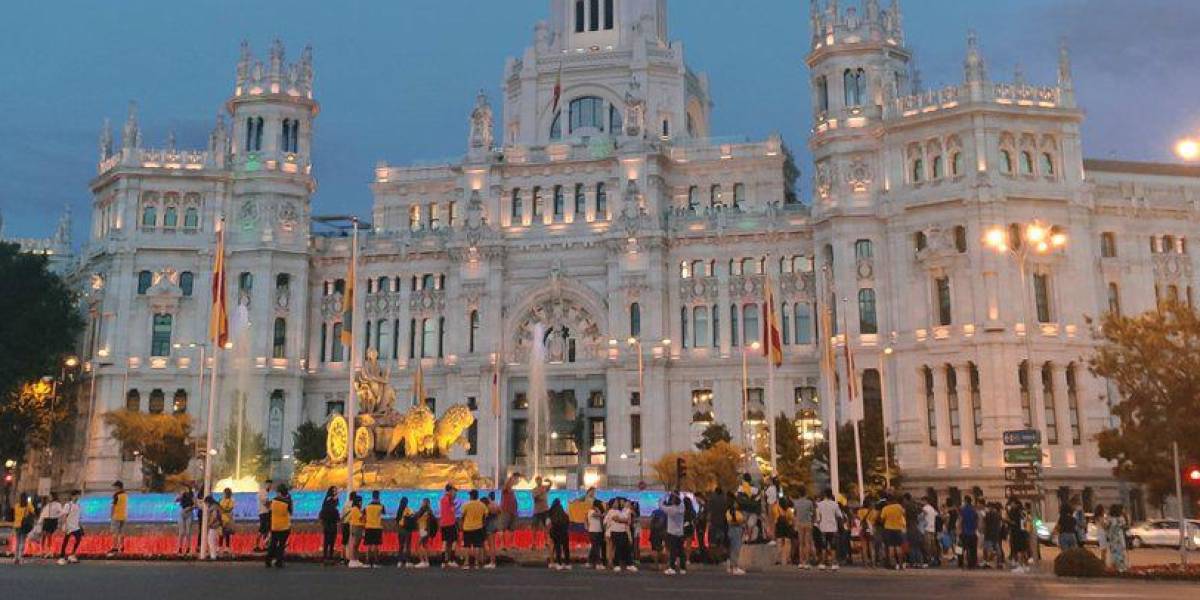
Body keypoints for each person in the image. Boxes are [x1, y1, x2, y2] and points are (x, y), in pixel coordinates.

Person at [459, 489, 489, 570]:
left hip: (467, 527)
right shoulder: (482, 505)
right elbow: (485, 516)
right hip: (478, 527)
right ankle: (476, 563)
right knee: (477, 546)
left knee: (467, 546)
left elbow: (462, 517)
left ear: (471, 496)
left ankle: (466, 563)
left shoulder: (466, 505)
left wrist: (461, 527)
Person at [605, 498, 636, 572]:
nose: (616, 504)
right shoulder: (611, 511)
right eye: (615, 502)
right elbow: (616, 519)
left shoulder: (623, 511)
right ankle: (616, 564)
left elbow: (627, 521)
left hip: (623, 531)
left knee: (626, 548)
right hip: (615, 531)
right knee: (617, 548)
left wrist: (623, 520)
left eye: (617, 502)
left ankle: (629, 564)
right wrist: (624, 520)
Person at [265, 484, 292, 568]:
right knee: (281, 545)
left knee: (273, 544)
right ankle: (279, 561)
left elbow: (268, 511)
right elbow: (290, 512)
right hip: (285, 526)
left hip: (275, 526)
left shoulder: (273, 501)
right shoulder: (288, 502)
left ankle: (268, 560)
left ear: (279, 492)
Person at [815, 488, 842, 571]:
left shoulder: (819, 504)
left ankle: (822, 563)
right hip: (833, 528)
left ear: (824, 495)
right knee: (833, 547)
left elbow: (818, 518)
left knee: (823, 547)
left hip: (823, 528)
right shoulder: (835, 504)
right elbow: (839, 516)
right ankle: (834, 564)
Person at [661, 493, 686, 575]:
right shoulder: (682, 507)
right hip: (680, 533)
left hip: (672, 533)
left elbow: (661, 505)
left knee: (673, 551)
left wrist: (665, 496)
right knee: (681, 551)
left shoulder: (671, 509)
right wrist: (676, 495)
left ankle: (672, 568)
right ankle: (683, 568)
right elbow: (681, 501)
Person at [56, 490, 83, 565]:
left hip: (76, 526)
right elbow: (64, 515)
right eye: (76, 495)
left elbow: (78, 517)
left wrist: (80, 526)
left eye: (78, 495)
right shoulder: (68, 505)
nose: (77, 497)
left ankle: (72, 555)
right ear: (72, 496)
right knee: (66, 540)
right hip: (69, 526)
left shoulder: (78, 505)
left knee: (78, 539)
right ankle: (61, 557)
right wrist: (64, 525)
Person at [879, 495, 906, 570]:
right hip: (898, 529)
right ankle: (900, 564)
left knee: (891, 547)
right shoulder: (899, 507)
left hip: (888, 528)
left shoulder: (885, 508)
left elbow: (881, 519)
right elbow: (903, 514)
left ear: (888, 501)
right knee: (898, 547)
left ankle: (893, 564)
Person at [792, 486, 815, 569]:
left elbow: (794, 513)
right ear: (805, 493)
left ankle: (801, 561)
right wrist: (813, 521)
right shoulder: (809, 502)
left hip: (799, 523)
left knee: (801, 543)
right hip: (808, 523)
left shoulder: (796, 502)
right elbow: (813, 513)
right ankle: (807, 562)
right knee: (807, 543)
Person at [1005, 499, 1030, 572]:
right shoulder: (1023, 511)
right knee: (1023, 550)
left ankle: (1020, 566)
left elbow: (1014, 523)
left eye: (1011, 504)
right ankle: (1025, 565)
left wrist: (1007, 520)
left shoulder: (1015, 511)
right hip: (1023, 532)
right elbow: (1025, 523)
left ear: (1014, 503)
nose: (1011, 506)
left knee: (1019, 550)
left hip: (1017, 533)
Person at [439, 484, 460, 568]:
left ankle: (444, 562)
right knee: (454, 541)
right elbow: (452, 509)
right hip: (450, 523)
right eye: (454, 491)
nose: (455, 493)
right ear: (450, 490)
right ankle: (452, 560)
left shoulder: (442, 499)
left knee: (445, 542)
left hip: (443, 523)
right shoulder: (449, 498)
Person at [725, 491, 746, 575]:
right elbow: (731, 522)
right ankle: (735, 567)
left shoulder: (732, 512)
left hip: (734, 530)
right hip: (735, 530)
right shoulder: (731, 512)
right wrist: (740, 522)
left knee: (732, 549)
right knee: (735, 549)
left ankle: (731, 567)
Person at [363, 490, 386, 567]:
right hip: (377, 527)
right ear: (378, 496)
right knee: (376, 545)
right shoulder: (381, 506)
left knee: (368, 545)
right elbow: (384, 513)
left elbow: (363, 515)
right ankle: (376, 562)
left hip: (368, 527)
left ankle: (367, 562)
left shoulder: (367, 506)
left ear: (372, 496)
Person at [547, 498, 572, 570]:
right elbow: (568, 522)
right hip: (564, 532)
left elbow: (548, 523)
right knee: (566, 548)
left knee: (558, 548)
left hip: (555, 532)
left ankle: (559, 563)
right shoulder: (564, 513)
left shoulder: (551, 512)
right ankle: (567, 564)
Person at [319, 487, 341, 566]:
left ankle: (326, 558)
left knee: (328, 541)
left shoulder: (327, 500)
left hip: (328, 523)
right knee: (330, 541)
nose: (336, 493)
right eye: (335, 491)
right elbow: (332, 510)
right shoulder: (330, 500)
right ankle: (329, 558)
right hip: (330, 523)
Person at [706, 486, 728, 563]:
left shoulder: (711, 499)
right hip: (722, 523)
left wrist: (708, 522)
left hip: (713, 523)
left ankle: (713, 558)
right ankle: (720, 558)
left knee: (712, 542)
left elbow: (709, 512)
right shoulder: (724, 500)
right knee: (720, 542)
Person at [37, 493, 62, 559]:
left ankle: (49, 551)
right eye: (49, 496)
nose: (49, 498)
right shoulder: (47, 505)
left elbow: (61, 512)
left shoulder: (57, 504)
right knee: (43, 535)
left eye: (50, 496)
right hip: (46, 520)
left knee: (49, 536)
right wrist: (39, 521)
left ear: (54, 497)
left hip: (52, 521)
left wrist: (57, 518)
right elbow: (43, 513)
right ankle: (42, 550)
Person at [498, 473, 520, 551]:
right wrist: (511, 478)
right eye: (511, 481)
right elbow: (507, 484)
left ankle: (512, 544)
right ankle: (502, 545)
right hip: (505, 511)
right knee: (502, 529)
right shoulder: (504, 489)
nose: (513, 482)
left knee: (512, 529)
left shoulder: (512, 491)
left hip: (513, 511)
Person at [344, 492, 365, 568]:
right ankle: (352, 560)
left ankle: (356, 559)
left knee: (356, 545)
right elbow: (361, 517)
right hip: (357, 527)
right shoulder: (355, 509)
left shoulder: (355, 509)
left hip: (357, 527)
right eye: (360, 501)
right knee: (354, 544)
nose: (361, 503)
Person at [12, 493, 35, 565]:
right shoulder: (28, 506)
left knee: (17, 542)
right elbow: (33, 512)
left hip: (16, 525)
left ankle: (15, 558)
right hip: (24, 525)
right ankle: (20, 558)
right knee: (23, 542)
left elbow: (14, 514)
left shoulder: (16, 506)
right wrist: (29, 502)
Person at [1105, 504, 1128, 573]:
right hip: (1120, 536)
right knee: (1121, 551)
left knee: (1114, 551)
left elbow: (1106, 526)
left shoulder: (1109, 518)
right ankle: (1121, 566)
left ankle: (1114, 565)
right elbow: (1125, 527)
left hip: (1112, 536)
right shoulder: (1121, 518)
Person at [412, 498, 435, 568]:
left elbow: (416, 516)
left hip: (424, 530)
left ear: (425, 503)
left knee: (417, 546)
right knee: (424, 546)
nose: (422, 503)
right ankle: (427, 562)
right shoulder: (430, 511)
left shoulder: (422, 510)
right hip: (426, 530)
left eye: (423, 502)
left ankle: (422, 561)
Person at [958, 495, 979, 569]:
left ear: (966, 501)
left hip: (964, 532)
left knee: (960, 548)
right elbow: (977, 521)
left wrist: (958, 530)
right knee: (972, 549)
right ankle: (972, 563)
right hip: (973, 533)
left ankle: (960, 562)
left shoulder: (963, 510)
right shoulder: (974, 510)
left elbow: (960, 520)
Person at [107, 481, 128, 556]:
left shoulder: (116, 495)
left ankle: (114, 547)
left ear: (118, 487)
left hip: (116, 516)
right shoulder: (125, 495)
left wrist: (111, 516)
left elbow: (113, 506)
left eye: (115, 487)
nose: (114, 488)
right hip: (124, 516)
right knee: (122, 533)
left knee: (115, 533)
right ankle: (122, 547)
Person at [531, 476, 551, 552]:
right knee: (534, 528)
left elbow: (549, 486)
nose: (539, 481)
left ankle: (546, 542)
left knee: (546, 527)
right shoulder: (534, 490)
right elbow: (535, 497)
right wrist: (541, 492)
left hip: (545, 510)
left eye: (540, 480)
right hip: (537, 511)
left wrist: (549, 481)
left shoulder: (544, 488)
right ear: (536, 481)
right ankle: (534, 543)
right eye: (538, 480)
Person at [174, 486, 195, 555]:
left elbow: (195, 504)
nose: (185, 490)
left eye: (187, 489)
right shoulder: (182, 495)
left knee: (188, 532)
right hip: (182, 512)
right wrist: (180, 496)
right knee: (181, 532)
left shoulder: (192, 495)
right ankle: (179, 548)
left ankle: (188, 548)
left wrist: (190, 508)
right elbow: (176, 500)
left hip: (189, 513)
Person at [394, 496, 414, 568]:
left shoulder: (399, 510)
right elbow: (413, 517)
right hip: (408, 530)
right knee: (408, 546)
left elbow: (397, 520)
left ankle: (399, 562)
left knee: (401, 546)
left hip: (401, 530)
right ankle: (407, 561)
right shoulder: (408, 509)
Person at [587, 499, 607, 569]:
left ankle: (590, 562)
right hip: (593, 531)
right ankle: (598, 563)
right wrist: (599, 510)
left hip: (598, 531)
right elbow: (599, 515)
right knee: (596, 548)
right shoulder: (591, 511)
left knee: (594, 547)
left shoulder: (595, 511)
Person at [481, 492, 500, 569]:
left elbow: (485, 516)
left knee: (490, 545)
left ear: (489, 497)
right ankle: (491, 561)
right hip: (494, 525)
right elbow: (500, 512)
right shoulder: (496, 504)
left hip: (488, 526)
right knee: (492, 545)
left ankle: (492, 562)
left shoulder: (488, 506)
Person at [255, 480, 273, 552]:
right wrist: (273, 503)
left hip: (265, 513)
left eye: (271, 485)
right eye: (269, 485)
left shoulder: (265, 492)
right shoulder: (263, 492)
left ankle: (265, 545)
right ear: (266, 484)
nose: (270, 487)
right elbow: (266, 503)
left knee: (267, 530)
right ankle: (257, 545)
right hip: (264, 513)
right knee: (262, 530)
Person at [203, 495, 222, 561]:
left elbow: (214, 516)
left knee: (211, 541)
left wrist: (209, 523)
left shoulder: (213, 507)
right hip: (217, 525)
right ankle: (214, 555)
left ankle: (213, 556)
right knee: (214, 541)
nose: (206, 505)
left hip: (214, 526)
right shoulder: (216, 506)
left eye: (206, 503)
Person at [218, 488, 235, 556]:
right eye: (225, 492)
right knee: (221, 533)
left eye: (226, 493)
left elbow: (230, 509)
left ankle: (227, 548)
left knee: (227, 533)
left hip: (228, 518)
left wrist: (223, 510)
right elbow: (219, 508)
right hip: (222, 518)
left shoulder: (231, 500)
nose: (225, 494)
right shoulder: (221, 500)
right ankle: (220, 547)